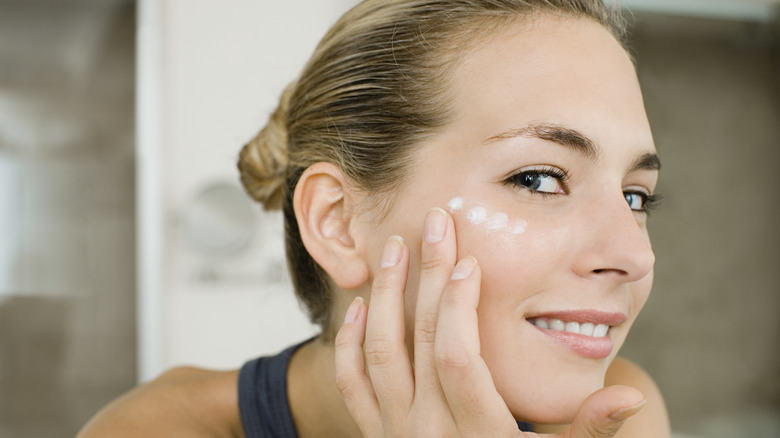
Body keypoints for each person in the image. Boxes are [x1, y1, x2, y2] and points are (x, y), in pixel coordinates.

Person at [78, 0, 671, 436]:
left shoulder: (622, 415)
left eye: (635, 196)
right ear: (338, 221)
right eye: (538, 179)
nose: (634, 255)